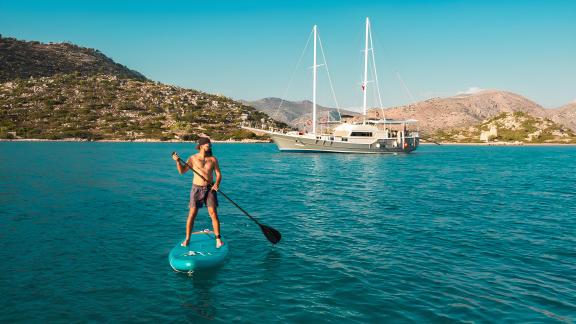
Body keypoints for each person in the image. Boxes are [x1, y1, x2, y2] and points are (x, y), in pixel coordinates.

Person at [172, 137, 223, 248]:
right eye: (207, 144)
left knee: (213, 213)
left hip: (210, 189)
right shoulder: (192, 158)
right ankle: (187, 239)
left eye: (210, 144)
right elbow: (182, 171)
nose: (209, 146)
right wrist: (177, 161)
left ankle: (218, 239)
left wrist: (217, 184)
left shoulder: (213, 159)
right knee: (192, 215)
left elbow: (218, 174)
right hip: (196, 189)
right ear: (201, 145)